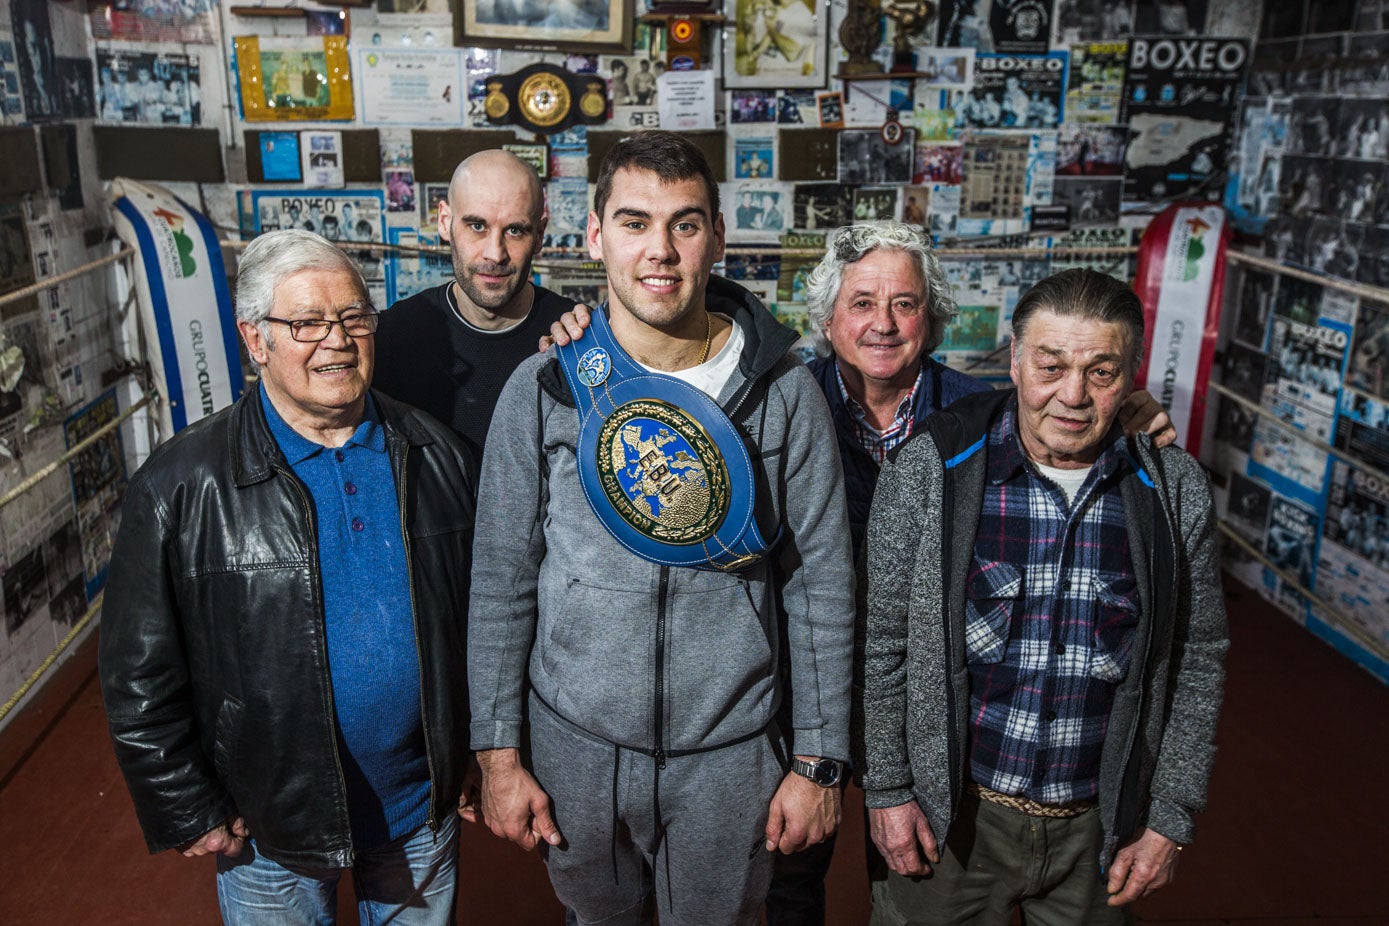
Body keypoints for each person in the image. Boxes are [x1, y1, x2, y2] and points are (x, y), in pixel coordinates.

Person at [544, 222, 1175, 926]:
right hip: (796, 691)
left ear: (931, 318)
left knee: (914, 867)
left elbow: (1068, 415)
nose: (882, 323)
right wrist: (581, 332)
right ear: (825, 318)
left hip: (924, 702)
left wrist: (1131, 414)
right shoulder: (773, 403)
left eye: (904, 304)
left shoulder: (986, 415)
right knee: (785, 874)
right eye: (862, 302)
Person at [467, 131, 855, 925]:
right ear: (595, 234)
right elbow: (501, 581)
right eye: (635, 222)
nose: (661, 251)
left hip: (730, 753)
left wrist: (817, 762)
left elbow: (820, 585)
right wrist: (499, 755)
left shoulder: (782, 391)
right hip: (575, 744)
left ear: (715, 234)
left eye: (684, 223)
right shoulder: (547, 386)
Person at [98, 229, 478, 924]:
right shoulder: (182, 485)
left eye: (353, 317)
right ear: (254, 339)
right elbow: (137, 672)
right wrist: (184, 803)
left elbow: (481, 628)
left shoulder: (438, 456)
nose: (336, 340)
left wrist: (477, 758)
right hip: (269, 830)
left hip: (417, 811)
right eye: (305, 322)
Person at [858, 268, 1228, 925]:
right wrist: (887, 790)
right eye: (1049, 365)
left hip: (1098, 831)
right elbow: (884, 643)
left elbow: (1196, 662)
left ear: (1131, 374)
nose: (1072, 396)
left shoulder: (1172, 491)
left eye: (1101, 372)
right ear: (1014, 358)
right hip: (956, 823)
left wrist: (1170, 813)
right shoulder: (931, 471)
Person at [373, 149, 571, 462]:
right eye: (477, 226)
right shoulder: (390, 337)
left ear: (539, 235)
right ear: (444, 222)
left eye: (515, 230)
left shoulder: (572, 335)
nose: (495, 254)